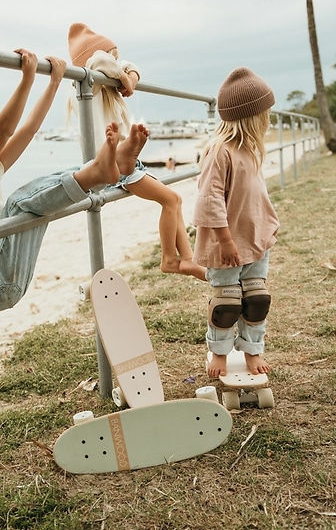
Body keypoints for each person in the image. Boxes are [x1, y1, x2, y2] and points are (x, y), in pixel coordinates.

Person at [0, 48, 149, 312]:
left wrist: (54, 82)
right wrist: (28, 77)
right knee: (19, 205)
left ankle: (116, 168)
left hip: (7, 274)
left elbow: (29, 129)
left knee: (39, 200)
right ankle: (99, 171)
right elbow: (5, 131)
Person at [67, 22, 206, 282]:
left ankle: (187, 259)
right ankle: (171, 259)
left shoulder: (104, 87)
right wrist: (122, 76)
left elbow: (131, 65)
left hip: (126, 164)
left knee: (174, 198)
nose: (117, 63)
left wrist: (128, 77)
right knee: (171, 200)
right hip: (110, 165)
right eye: (114, 58)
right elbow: (98, 59)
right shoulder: (88, 88)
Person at [192, 67, 279, 377]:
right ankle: (219, 352)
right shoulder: (220, 152)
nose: (268, 120)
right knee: (227, 303)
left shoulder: (250, 150)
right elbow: (209, 200)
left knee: (256, 299)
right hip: (226, 245)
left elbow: (255, 197)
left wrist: (269, 226)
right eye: (265, 114)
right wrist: (226, 241)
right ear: (250, 116)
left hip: (255, 241)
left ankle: (253, 350)